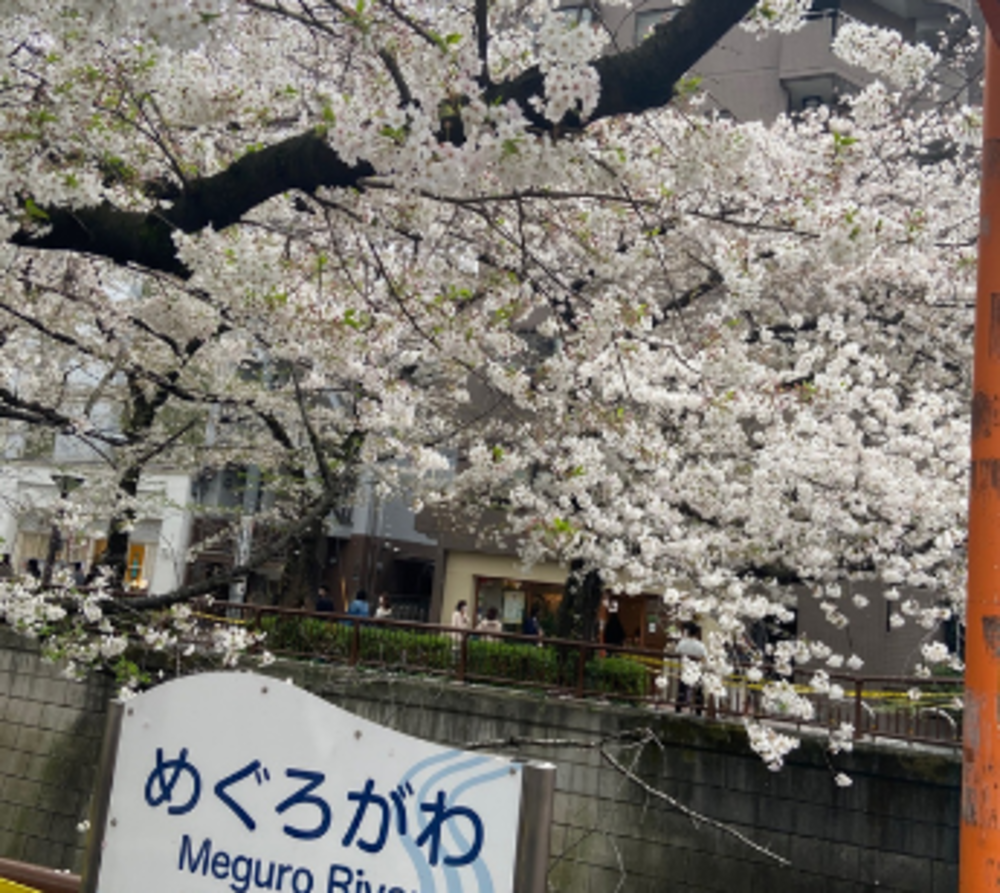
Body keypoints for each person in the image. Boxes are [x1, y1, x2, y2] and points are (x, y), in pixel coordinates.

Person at [675, 622, 707, 715]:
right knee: (698, 691)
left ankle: (678, 707)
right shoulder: (700, 645)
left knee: (682, 689)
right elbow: (704, 657)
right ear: (697, 633)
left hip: (685, 668)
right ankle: (698, 710)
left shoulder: (682, 643)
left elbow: (677, 652)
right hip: (696, 670)